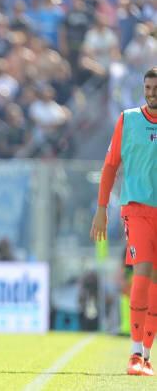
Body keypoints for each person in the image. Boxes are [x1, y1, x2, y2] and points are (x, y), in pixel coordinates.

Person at [90, 66, 157, 377]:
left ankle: (146, 355)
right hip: (137, 209)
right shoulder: (128, 120)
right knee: (141, 272)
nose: (152, 93)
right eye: (148, 88)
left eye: (155, 88)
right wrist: (101, 209)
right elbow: (109, 166)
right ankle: (133, 353)